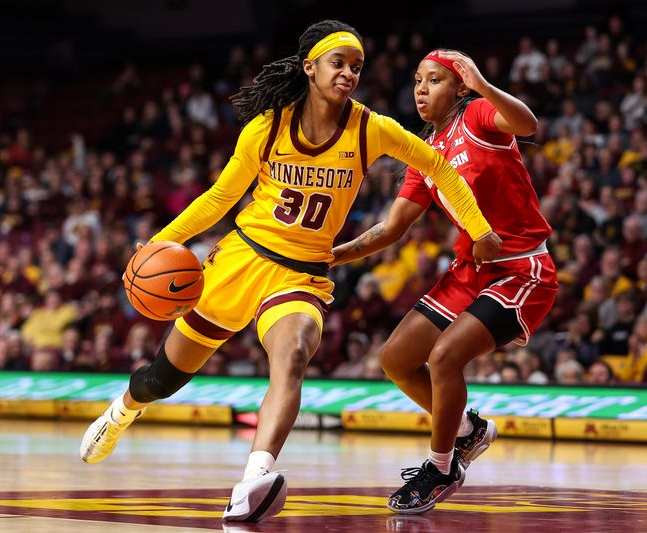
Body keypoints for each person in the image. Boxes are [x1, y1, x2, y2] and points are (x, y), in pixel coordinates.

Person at [79, 21, 500, 523]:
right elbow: (219, 199)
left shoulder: (372, 128)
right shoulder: (267, 127)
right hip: (240, 262)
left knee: (294, 355)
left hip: (301, 277)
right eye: (338, 63)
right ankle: (123, 410)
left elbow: (441, 169)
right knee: (160, 380)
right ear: (310, 67)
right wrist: (162, 241)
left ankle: (254, 478)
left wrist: (479, 229)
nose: (348, 73)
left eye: (357, 67)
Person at [332, 49, 555, 513]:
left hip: (521, 268)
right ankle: (466, 432)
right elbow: (391, 229)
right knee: (395, 358)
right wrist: (328, 257)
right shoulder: (423, 152)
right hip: (470, 271)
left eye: (433, 80)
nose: (420, 88)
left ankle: (442, 464)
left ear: (458, 88)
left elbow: (528, 124)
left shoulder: (478, 115)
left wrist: (484, 85)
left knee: (445, 357)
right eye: (417, 80)